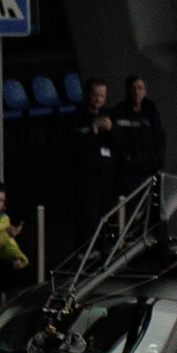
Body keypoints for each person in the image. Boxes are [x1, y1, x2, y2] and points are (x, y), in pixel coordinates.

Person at [69, 79, 119, 238]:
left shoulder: (110, 116)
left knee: (106, 221)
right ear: (88, 95)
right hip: (86, 180)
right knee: (88, 222)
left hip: (107, 179)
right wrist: (93, 129)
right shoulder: (76, 118)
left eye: (102, 95)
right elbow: (74, 146)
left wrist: (111, 130)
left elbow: (121, 144)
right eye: (95, 95)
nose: (98, 99)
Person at [115, 76, 167, 186]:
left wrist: (158, 161)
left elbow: (160, 138)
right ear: (128, 91)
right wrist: (127, 160)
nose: (136, 92)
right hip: (129, 176)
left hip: (150, 173)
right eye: (133, 88)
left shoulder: (151, 111)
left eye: (140, 88)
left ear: (145, 91)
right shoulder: (118, 113)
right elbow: (117, 141)